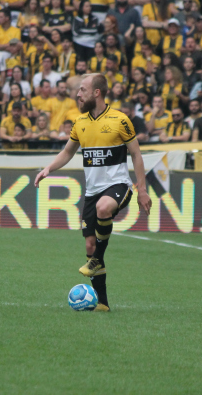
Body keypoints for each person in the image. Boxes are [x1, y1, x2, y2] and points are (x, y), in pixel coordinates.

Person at [34, 74, 152, 312]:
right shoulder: (79, 123)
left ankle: (96, 260)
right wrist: (48, 168)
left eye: (83, 90)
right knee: (89, 245)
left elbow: (137, 155)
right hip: (92, 192)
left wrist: (142, 190)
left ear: (97, 93)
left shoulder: (120, 120)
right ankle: (102, 303)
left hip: (118, 185)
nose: (78, 94)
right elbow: (67, 152)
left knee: (103, 209)